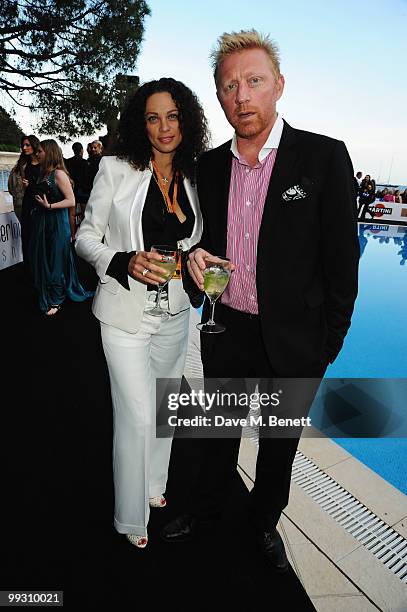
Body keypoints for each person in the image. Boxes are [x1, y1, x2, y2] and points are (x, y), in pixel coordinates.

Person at [162, 30, 359, 571]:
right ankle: (202, 513)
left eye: (253, 81)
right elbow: (197, 238)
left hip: (294, 340)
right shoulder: (208, 166)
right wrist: (195, 257)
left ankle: (262, 524)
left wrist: (326, 348)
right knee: (215, 436)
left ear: (278, 87)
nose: (241, 95)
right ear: (220, 97)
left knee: (278, 447)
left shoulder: (323, 158)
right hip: (228, 329)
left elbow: (344, 265)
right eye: (229, 86)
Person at [75, 78, 209, 548]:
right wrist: (123, 260)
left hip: (174, 312)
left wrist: (199, 259)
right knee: (133, 416)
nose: (164, 126)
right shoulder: (115, 167)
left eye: (173, 116)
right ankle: (130, 518)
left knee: (161, 411)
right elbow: (85, 237)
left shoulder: (193, 175)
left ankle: (154, 487)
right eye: (153, 117)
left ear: (186, 120)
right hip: (124, 314)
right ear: (140, 123)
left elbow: (192, 241)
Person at [29, 139, 93, 315]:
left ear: (49, 152)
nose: (37, 154)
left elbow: (71, 200)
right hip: (43, 221)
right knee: (45, 257)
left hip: (57, 221)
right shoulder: (43, 174)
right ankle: (49, 292)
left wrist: (49, 206)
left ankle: (56, 301)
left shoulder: (58, 174)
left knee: (57, 259)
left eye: (40, 151)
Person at [18, 135, 41, 264]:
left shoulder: (43, 163)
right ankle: (29, 265)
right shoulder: (23, 163)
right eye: (23, 145)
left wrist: (30, 185)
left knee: (37, 236)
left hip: (40, 203)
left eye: (27, 145)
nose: (24, 147)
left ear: (34, 145)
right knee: (26, 234)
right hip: (28, 202)